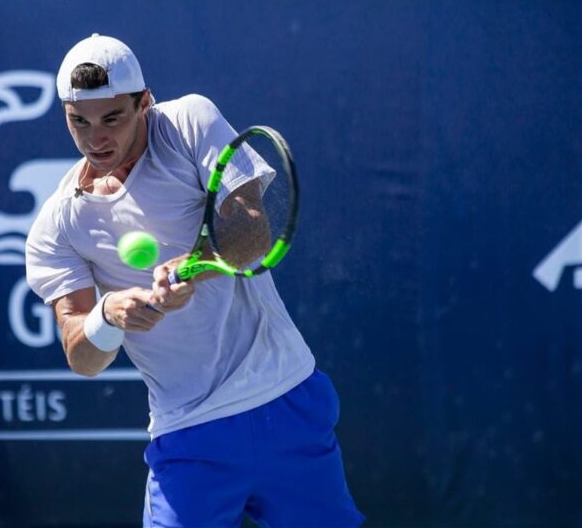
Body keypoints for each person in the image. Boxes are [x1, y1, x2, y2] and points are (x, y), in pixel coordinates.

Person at [26, 34, 364, 527]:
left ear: (145, 102)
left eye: (112, 119)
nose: (95, 138)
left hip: (284, 397)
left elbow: (251, 227)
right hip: (188, 430)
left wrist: (195, 266)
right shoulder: (58, 225)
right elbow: (82, 356)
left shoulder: (189, 123)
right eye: (80, 121)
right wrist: (109, 315)